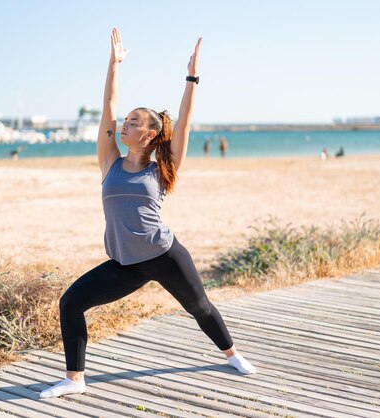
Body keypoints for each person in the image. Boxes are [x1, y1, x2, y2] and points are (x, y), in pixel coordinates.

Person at [39, 28, 256, 400]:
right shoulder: (110, 162)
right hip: (126, 263)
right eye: (126, 120)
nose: (125, 123)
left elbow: (184, 123)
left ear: (152, 134)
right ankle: (75, 379)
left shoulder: (162, 168)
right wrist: (113, 64)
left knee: (200, 307)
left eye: (135, 122)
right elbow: (108, 105)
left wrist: (191, 78)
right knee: (71, 303)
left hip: (164, 255)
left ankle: (232, 355)